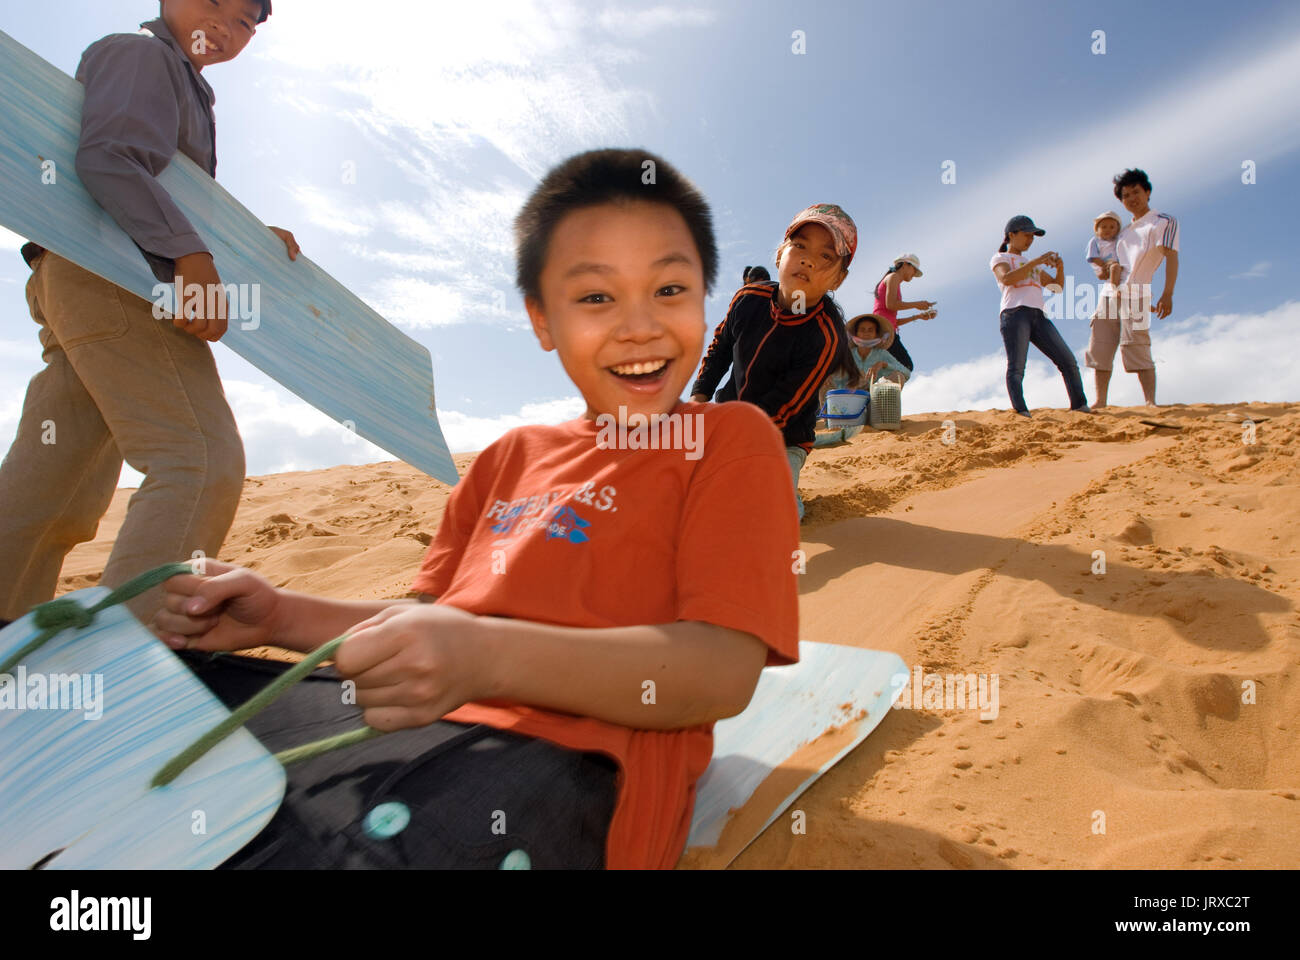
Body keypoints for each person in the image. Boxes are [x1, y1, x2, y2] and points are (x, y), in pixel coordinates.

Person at [153, 148, 801, 870]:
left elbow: (719, 673)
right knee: (137, 713)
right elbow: (426, 633)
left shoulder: (730, 438)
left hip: (561, 763)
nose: (640, 326)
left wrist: (487, 658)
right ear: (542, 320)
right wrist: (278, 617)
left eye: (670, 289)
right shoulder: (510, 454)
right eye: (595, 297)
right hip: (386, 720)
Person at [0, 0, 298, 626]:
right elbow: (110, 157)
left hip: (80, 281)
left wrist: (245, 238)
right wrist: (189, 254)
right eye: (213, 0)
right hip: (117, 278)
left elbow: (162, 185)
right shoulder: (142, 54)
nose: (225, 23)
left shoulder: (188, 87)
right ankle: (126, 667)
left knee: (57, 481)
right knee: (198, 460)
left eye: (245, 20)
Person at [690, 204, 857, 521]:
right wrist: (700, 395)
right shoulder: (748, 298)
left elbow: (783, 405)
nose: (808, 259)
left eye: (826, 257)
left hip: (784, 437)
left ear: (838, 279)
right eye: (800, 246)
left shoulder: (825, 337)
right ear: (781, 254)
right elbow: (721, 347)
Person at [1085, 169, 1178, 407]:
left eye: (1136, 192)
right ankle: (1100, 402)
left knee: (1136, 344)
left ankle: (1150, 402)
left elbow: (1171, 257)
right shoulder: (1122, 231)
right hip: (1109, 294)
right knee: (1100, 345)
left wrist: (1167, 294)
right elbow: (1111, 261)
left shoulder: (1163, 221)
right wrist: (1102, 270)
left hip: (1137, 293)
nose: (1132, 198)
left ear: (1147, 192)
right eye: (1125, 195)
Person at [989, 215, 1089, 417]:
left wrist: (1059, 267)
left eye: (1033, 236)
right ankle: (1021, 412)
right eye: (1027, 235)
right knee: (1017, 366)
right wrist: (1036, 262)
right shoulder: (1001, 258)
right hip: (1014, 313)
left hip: (1039, 315)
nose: (1030, 240)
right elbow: (1007, 278)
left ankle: (1079, 406)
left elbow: (1056, 287)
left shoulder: (1031, 264)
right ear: (1011, 235)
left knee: (1067, 360)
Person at [872, 253, 935, 372]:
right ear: (905, 264)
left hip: (884, 330)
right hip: (884, 332)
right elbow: (891, 304)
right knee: (906, 365)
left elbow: (892, 320)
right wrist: (917, 304)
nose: (914, 274)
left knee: (901, 367)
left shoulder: (893, 279)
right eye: (914, 269)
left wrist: (918, 316)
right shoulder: (894, 277)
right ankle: (881, 367)